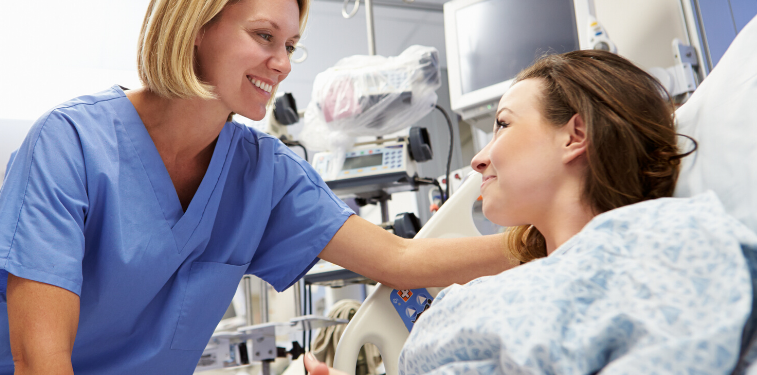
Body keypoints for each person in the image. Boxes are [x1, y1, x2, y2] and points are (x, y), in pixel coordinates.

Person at [0, 0, 516, 373]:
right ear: (197, 27)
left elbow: (400, 260)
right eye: (264, 36)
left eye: (291, 45)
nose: (282, 64)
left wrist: (545, 239)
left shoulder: (263, 174)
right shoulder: (71, 142)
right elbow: (40, 361)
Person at [304, 50, 757, 374]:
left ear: (575, 135)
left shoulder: (671, 245)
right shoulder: (482, 295)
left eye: (502, 124)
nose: (478, 160)